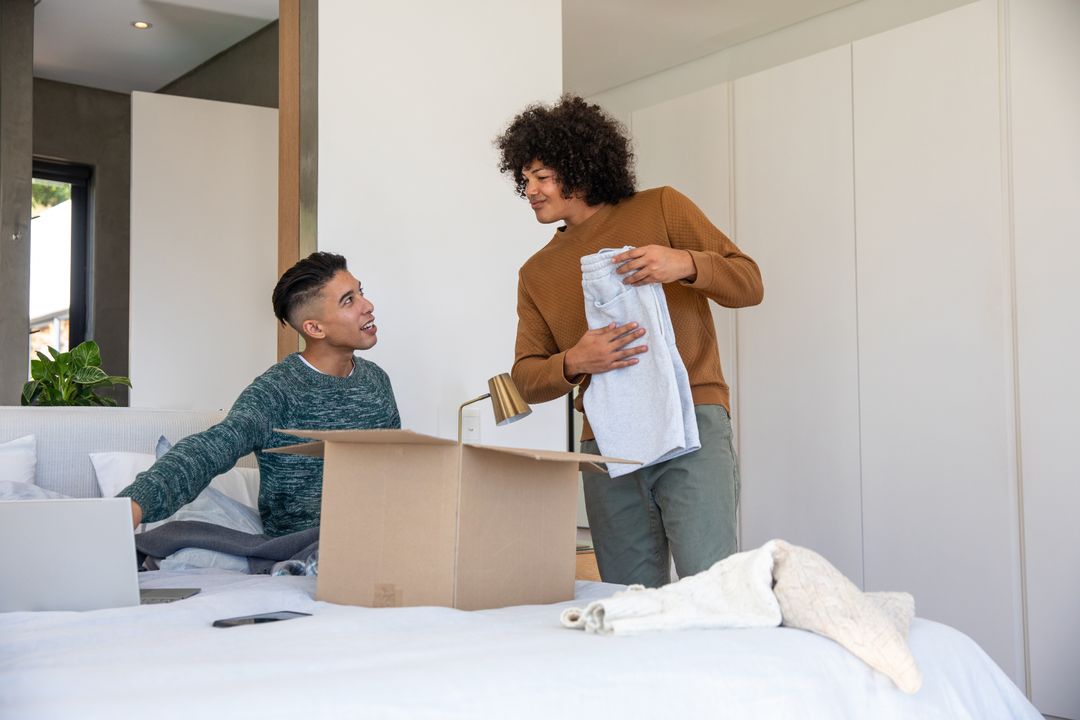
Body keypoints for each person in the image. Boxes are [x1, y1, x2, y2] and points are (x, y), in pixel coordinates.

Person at [495, 95, 764, 587]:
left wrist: (684, 264)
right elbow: (526, 378)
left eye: (541, 176)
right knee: (626, 596)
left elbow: (749, 283)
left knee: (712, 586)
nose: (529, 190)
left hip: (691, 421)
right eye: (524, 179)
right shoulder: (535, 272)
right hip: (606, 444)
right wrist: (575, 360)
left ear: (579, 165)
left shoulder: (660, 207)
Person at [119, 251, 400, 537]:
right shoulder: (276, 391)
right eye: (348, 301)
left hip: (382, 537)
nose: (368, 305)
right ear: (314, 328)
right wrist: (132, 505)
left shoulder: (375, 381)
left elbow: (395, 468)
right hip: (307, 546)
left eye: (360, 292)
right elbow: (210, 449)